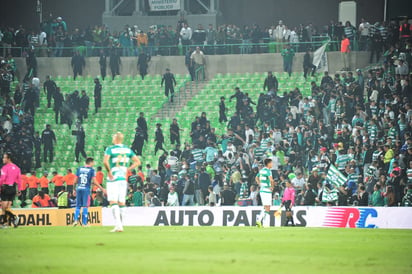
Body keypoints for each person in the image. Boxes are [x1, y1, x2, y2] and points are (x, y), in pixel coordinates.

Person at [104, 132, 141, 232]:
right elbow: (138, 162)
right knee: (122, 202)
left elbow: (105, 161)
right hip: (123, 179)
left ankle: (118, 225)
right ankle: (120, 225)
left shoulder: (110, 149)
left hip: (113, 178)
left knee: (113, 202)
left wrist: (109, 172)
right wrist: (128, 169)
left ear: (115, 138)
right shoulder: (127, 149)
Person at [73, 157, 99, 226]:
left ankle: (75, 220)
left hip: (79, 188)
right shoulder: (92, 170)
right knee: (85, 206)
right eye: (93, 162)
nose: (93, 163)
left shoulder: (79, 169)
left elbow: (75, 180)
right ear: (90, 162)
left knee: (78, 206)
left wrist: (74, 189)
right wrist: (101, 188)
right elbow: (94, 181)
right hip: (86, 189)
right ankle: (84, 223)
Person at [0, 153, 22, 228]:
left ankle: (14, 217)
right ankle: (5, 223)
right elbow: (19, 180)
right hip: (13, 188)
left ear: (8, 159)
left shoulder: (5, 168)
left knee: (3, 207)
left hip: (5, 187)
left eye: (4, 158)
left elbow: (2, 178)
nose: (3, 159)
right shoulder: (17, 168)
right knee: (7, 206)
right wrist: (19, 189)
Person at [255, 158, 275, 228]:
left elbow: (256, 178)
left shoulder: (261, 170)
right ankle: (264, 222)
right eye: (271, 163)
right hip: (267, 191)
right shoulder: (268, 171)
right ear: (268, 163)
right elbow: (271, 180)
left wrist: (260, 184)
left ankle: (259, 220)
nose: (272, 164)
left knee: (265, 207)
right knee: (268, 207)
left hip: (262, 190)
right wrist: (272, 187)